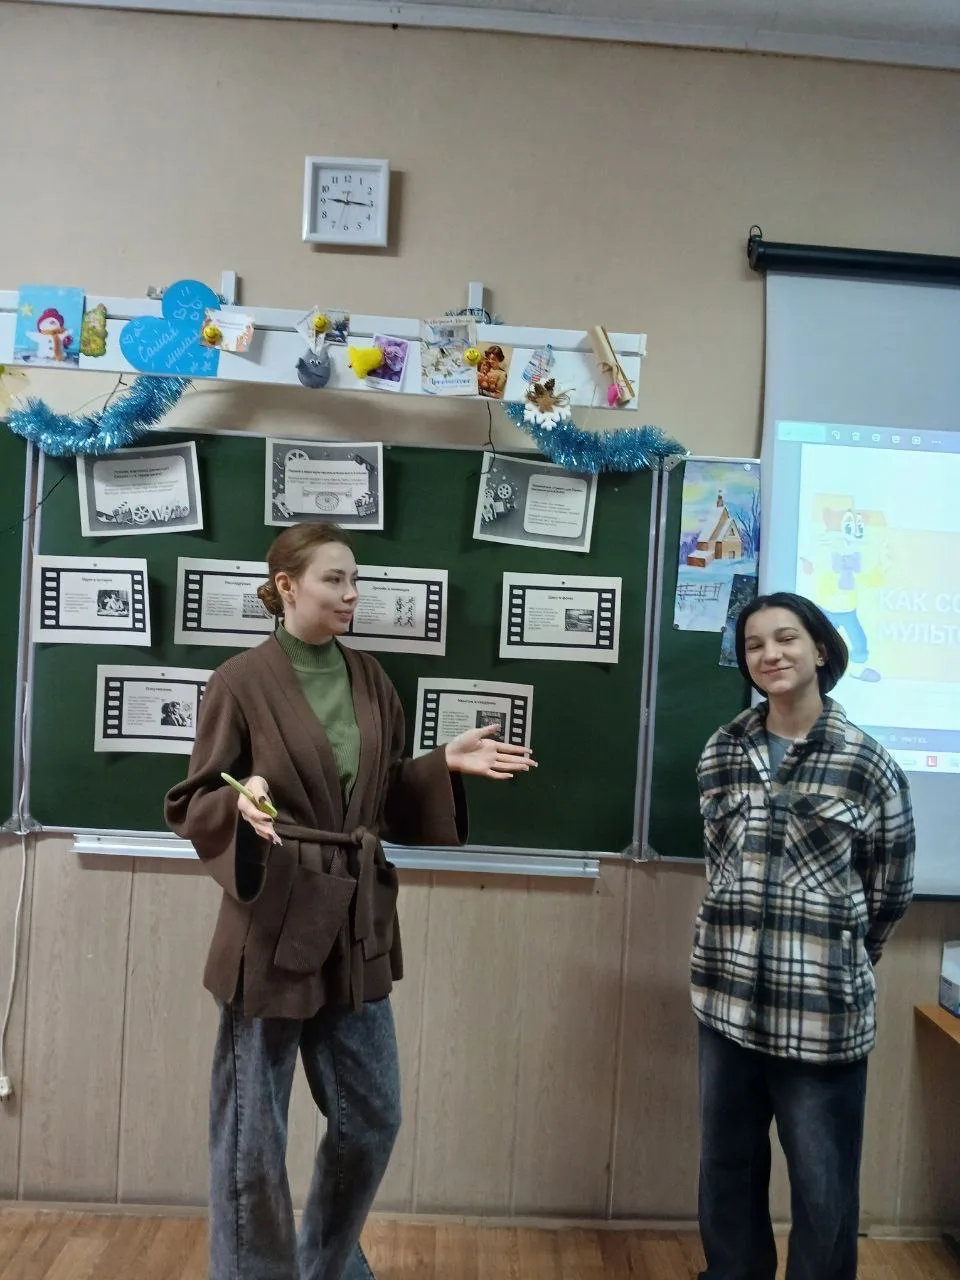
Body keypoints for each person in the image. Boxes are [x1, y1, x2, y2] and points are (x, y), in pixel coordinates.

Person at [165, 522, 536, 1280]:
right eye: (335, 579)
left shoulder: (370, 678)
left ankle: (324, 1265)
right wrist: (240, 803)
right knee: (252, 1135)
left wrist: (441, 764)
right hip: (273, 923)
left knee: (372, 1118)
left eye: (355, 580)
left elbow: (381, 798)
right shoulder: (240, 680)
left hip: (356, 923)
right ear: (287, 586)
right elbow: (194, 799)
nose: (352, 594)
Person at [691, 591, 915, 1280]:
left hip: (821, 1013)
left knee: (823, 1187)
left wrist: (838, 957)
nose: (770, 654)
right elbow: (718, 867)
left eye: (785, 638)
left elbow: (890, 889)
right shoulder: (723, 751)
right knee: (726, 1169)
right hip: (726, 1003)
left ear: (820, 648)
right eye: (755, 645)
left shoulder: (866, 762)